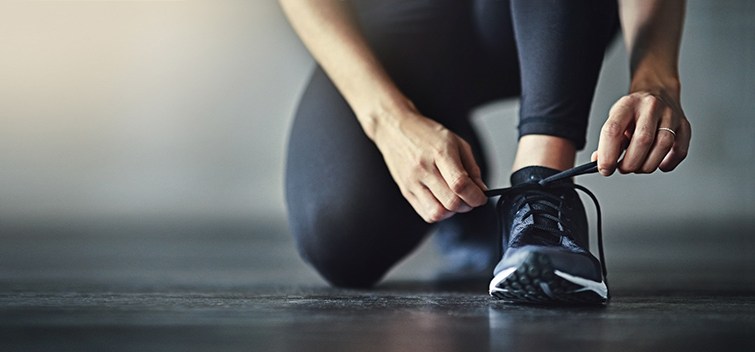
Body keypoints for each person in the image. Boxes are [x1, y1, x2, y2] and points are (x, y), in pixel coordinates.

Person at [279, 0, 691, 305]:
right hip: (396, 24)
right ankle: (462, 182)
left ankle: (542, 195)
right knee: (339, 239)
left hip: (549, 18)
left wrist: (657, 77)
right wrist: (389, 120)